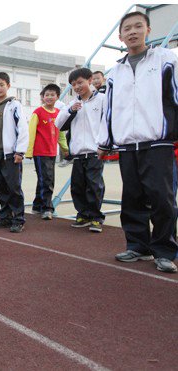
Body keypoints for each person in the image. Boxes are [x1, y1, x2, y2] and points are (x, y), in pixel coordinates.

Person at [97, 12, 177, 273]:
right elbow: (109, 110)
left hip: (157, 141)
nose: (132, 32)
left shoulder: (167, 60)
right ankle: (138, 245)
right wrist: (105, 141)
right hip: (127, 144)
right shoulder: (114, 72)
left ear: (148, 30)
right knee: (132, 197)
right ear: (120, 36)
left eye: (137, 27)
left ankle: (164, 250)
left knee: (162, 198)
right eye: (127, 28)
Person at [55, 68, 105, 233]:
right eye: (73, 84)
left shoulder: (102, 100)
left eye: (80, 82)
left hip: (94, 151)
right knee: (77, 186)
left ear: (90, 80)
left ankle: (96, 217)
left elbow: (108, 123)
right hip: (77, 153)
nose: (77, 87)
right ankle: (83, 214)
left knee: (94, 185)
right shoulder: (72, 103)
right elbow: (58, 124)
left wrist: (104, 145)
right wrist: (70, 111)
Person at [0, 72, 28, 233]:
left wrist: (20, 151)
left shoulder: (14, 105)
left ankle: (18, 219)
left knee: (13, 187)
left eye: (1, 84)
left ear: (8, 86)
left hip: (11, 153)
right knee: (0, 186)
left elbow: (22, 128)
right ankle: (5, 217)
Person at [26, 84, 69, 220]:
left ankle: (37, 205)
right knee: (47, 180)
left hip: (52, 152)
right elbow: (31, 133)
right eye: (47, 95)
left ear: (57, 97)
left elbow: (61, 133)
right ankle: (47, 208)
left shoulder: (58, 113)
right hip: (40, 152)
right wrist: (28, 152)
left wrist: (65, 149)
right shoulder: (38, 112)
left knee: (44, 179)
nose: (49, 97)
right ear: (42, 97)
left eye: (52, 95)